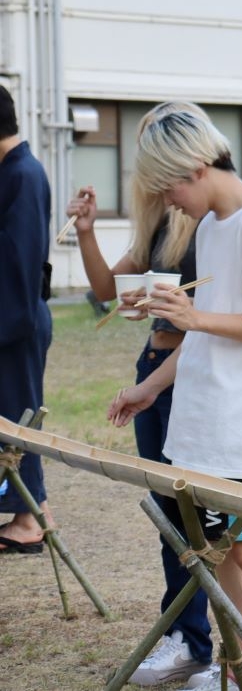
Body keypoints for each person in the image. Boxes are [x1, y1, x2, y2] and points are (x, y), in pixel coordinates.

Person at [107, 105, 242, 691]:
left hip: (241, 426)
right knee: (221, 553)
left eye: (168, 187)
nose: (168, 202)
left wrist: (195, 316)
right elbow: (199, 333)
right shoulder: (214, 225)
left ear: (194, 166)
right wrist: (149, 386)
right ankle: (236, 666)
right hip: (203, 421)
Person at [64, 102, 211, 686]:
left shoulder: (212, 220)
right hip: (156, 360)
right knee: (169, 519)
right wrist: (85, 231)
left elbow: (214, 320)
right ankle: (186, 637)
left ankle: (200, 641)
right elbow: (107, 289)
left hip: (188, 367)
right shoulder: (160, 220)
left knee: (199, 518)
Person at [0, 84, 54, 554]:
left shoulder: (23, 174)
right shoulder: (13, 171)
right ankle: (29, 510)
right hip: (12, 316)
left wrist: (7, 327)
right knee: (14, 414)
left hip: (15, 318)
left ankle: (29, 518)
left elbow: (19, 263)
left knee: (17, 417)